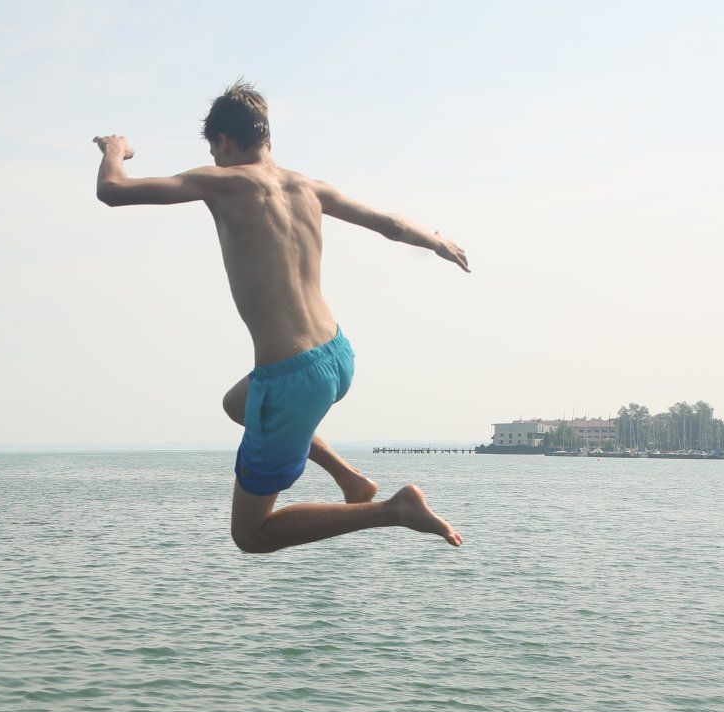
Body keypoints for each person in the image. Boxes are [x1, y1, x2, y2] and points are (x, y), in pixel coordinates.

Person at [93, 81, 467, 554]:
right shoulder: (310, 187)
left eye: (215, 150)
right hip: (337, 354)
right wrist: (437, 241)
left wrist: (114, 150)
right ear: (266, 136)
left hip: (291, 378)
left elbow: (112, 190)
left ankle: (396, 509)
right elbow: (390, 225)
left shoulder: (220, 181)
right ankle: (352, 479)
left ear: (223, 142)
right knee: (237, 405)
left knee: (251, 535)